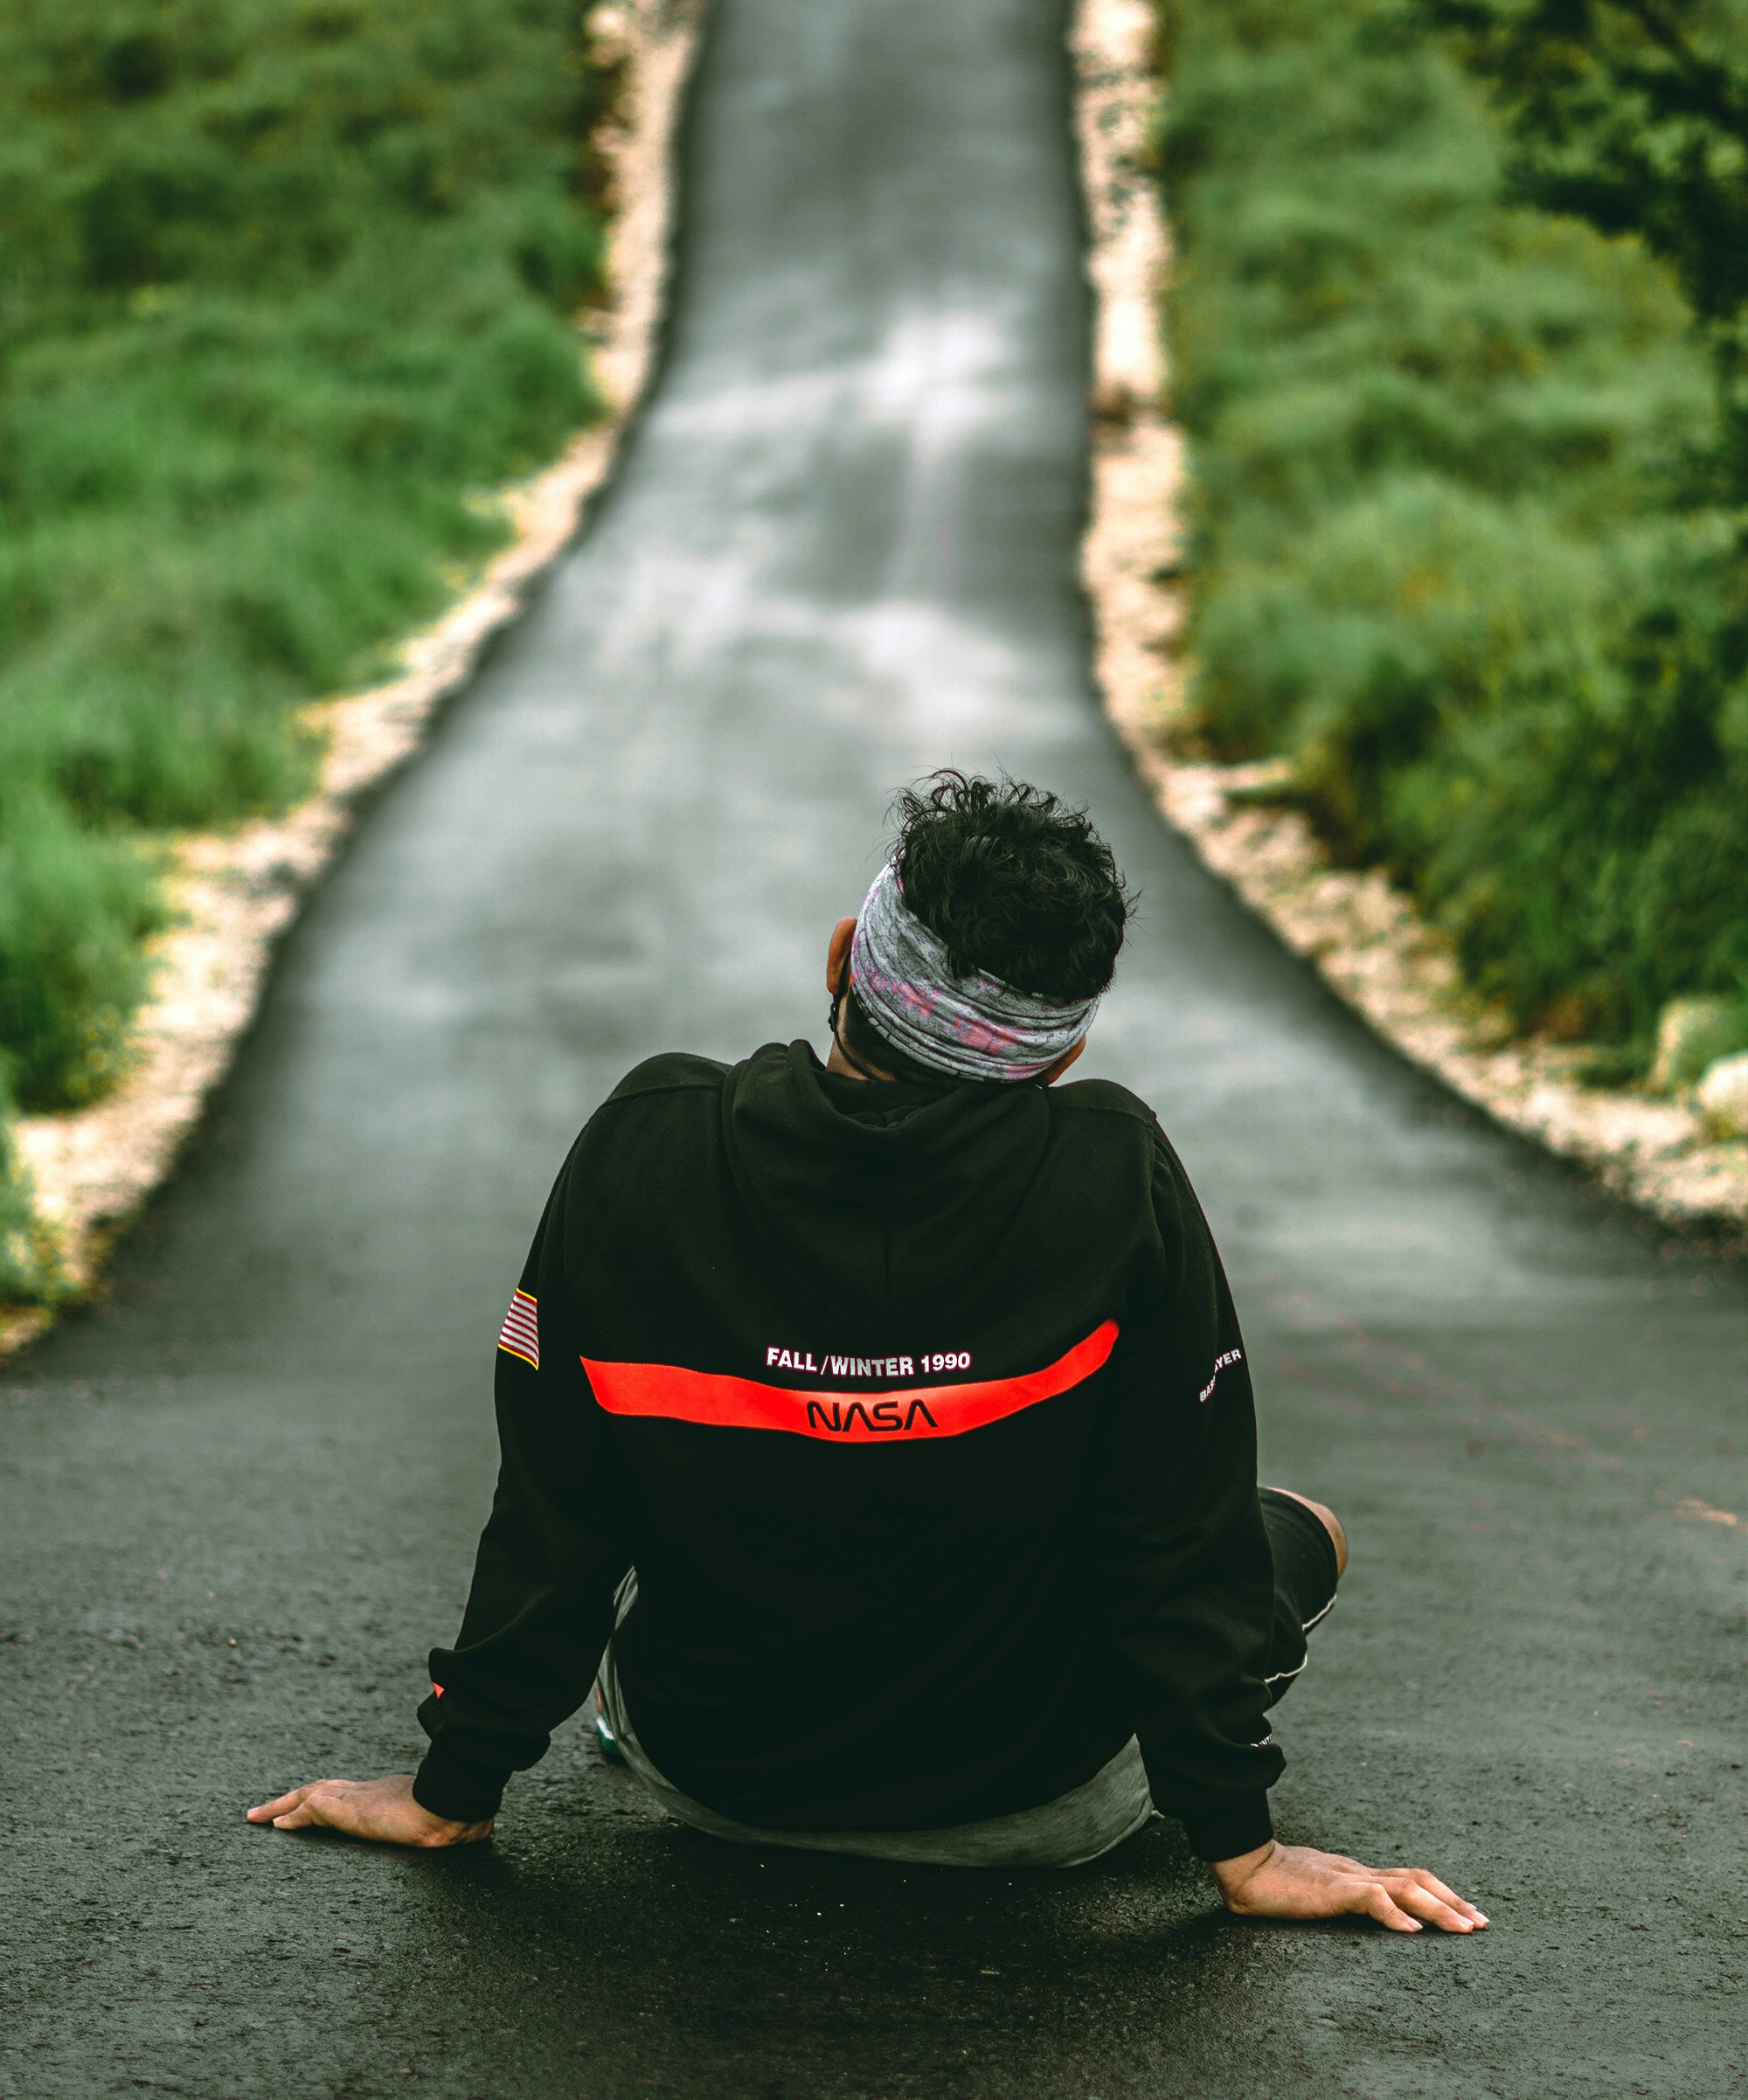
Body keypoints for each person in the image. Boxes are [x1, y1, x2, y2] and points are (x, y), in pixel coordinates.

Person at [250, 773, 1486, 1935]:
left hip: (712, 1780)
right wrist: (1246, 1853)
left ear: (844, 956)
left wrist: (449, 1788)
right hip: (1041, 1812)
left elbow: (553, 1514)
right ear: (1060, 1057)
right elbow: (1178, 1539)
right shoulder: (1116, 1174)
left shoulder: (646, 1141)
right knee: (1292, 1529)